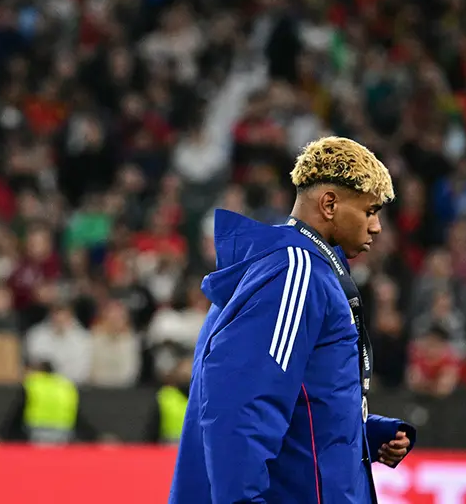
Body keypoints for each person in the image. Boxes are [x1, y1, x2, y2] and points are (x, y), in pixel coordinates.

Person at [169, 137, 417, 504]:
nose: (377, 227)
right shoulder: (294, 274)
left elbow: (294, 402)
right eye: (369, 211)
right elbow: (241, 408)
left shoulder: (284, 268)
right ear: (330, 204)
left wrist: (363, 432)